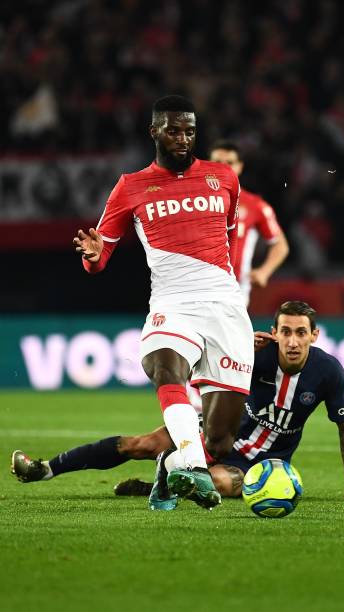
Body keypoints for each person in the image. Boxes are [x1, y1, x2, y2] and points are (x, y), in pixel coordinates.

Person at [71, 95, 254, 510]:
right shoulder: (130, 186)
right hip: (172, 301)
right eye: (173, 129)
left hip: (225, 306)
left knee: (222, 441)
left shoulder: (223, 178)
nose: (183, 138)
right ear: (154, 131)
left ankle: (171, 470)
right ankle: (191, 467)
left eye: (190, 130)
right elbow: (101, 256)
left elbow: (229, 237)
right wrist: (93, 256)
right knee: (163, 365)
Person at [11, 301, 344, 503]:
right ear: (274, 332)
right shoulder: (252, 354)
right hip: (218, 433)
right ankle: (45, 468)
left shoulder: (328, 372)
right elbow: (199, 364)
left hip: (260, 462)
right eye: (286, 332)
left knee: (218, 482)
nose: (293, 341)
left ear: (314, 335)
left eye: (301, 333)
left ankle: (163, 479)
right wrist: (239, 345)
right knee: (140, 444)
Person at [209, 140, 289, 306]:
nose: (223, 167)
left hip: (234, 291)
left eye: (230, 162)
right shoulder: (191, 202)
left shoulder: (255, 205)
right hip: (195, 288)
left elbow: (280, 244)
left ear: (240, 167)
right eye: (217, 162)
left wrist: (264, 272)